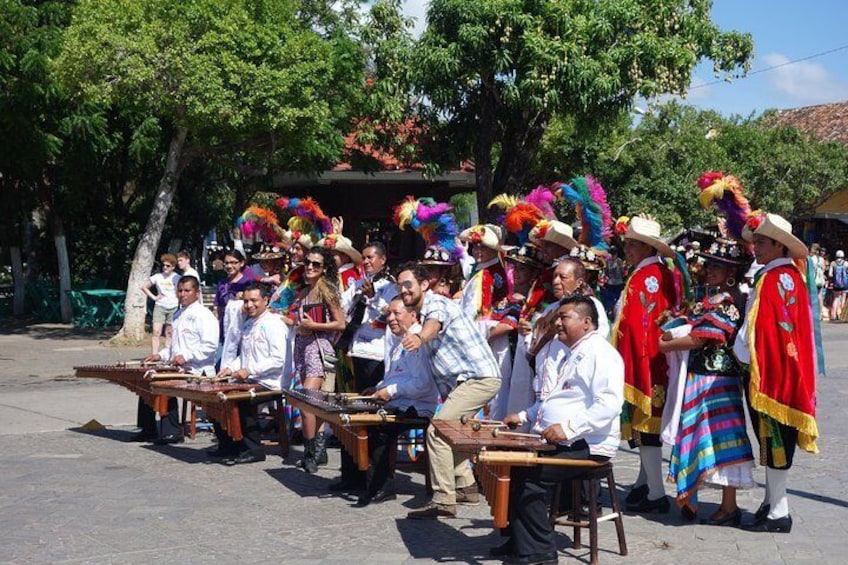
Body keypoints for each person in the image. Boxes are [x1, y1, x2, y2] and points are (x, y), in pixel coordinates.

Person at [496, 295, 624, 563]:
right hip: (565, 441)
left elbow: (610, 404)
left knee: (528, 477)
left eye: (564, 317)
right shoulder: (570, 352)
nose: (558, 323)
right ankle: (519, 543)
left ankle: (541, 554)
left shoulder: (601, 354)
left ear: (586, 322)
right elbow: (552, 400)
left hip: (588, 445)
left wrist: (568, 428)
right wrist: (522, 415)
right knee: (511, 466)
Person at [734, 212, 820, 533]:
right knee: (769, 439)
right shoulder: (781, 275)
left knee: (775, 437)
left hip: (771, 372)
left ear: (779, 245)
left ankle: (779, 511)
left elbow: (762, 330)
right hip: (773, 369)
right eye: (755, 240)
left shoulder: (775, 278)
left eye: (761, 241)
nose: (755, 246)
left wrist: (743, 355)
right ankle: (771, 502)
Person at [659, 240, 755, 525]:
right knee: (699, 436)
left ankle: (728, 506)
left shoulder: (731, 302)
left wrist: (664, 345)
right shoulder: (714, 299)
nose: (709, 269)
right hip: (701, 378)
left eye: (717, 266)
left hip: (718, 383)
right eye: (710, 264)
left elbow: (702, 338)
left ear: (732, 273)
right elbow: (691, 323)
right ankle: (697, 498)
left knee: (723, 439)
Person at [396, 263, 502, 520]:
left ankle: (444, 499)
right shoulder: (423, 311)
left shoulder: (437, 304)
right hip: (467, 382)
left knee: (438, 432)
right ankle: (465, 486)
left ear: (423, 285)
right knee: (450, 433)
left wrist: (420, 337)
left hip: (479, 379)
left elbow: (435, 324)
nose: (404, 290)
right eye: (400, 286)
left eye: (408, 285)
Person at [611, 215, 679, 513]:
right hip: (652, 359)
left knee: (647, 426)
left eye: (632, 244)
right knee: (643, 426)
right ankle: (644, 483)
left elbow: (640, 326)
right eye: (626, 244)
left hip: (648, 361)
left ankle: (656, 494)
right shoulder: (651, 273)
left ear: (647, 247)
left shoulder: (648, 276)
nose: (627, 249)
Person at [351, 297, 439, 507]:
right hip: (399, 402)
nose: (390, 318)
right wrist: (379, 387)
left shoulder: (418, 341)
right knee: (351, 418)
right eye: (388, 313)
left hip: (417, 407)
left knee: (377, 428)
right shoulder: (397, 339)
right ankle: (354, 479)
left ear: (413, 315)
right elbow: (395, 375)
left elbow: (423, 385)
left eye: (396, 314)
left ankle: (381, 487)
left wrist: (389, 391)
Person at [330, 242, 397, 492]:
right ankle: (351, 475)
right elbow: (341, 309)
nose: (367, 262)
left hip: (376, 356)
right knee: (348, 414)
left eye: (371, 258)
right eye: (365, 258)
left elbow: (392, 317)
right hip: (351, 353)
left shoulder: (391, 287)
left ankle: (375, 478)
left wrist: (373, 299)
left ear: (382, 259)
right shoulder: (357, 284)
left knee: (371, 417)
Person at [214, 282, 293, 464]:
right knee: (217, 394)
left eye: (254, 301)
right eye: (246, 301)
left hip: (271, 381)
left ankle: (254, 449)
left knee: (239, 398)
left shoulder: (274, 324)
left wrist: (249, 370)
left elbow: (278, 359)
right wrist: (230, 369)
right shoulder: (249, 324)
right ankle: (230, 445)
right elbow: (244, 357)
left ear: (266, 300)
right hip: (252, 379)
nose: (249, 305)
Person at [138, 276, 219, 444]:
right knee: (145, 379)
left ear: (197, 293)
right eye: (180, 291)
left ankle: (172, 432)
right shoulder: (178, 314)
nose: (182, 294)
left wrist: (186, 357)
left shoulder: (204, 315)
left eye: (187, 291)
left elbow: (210, 346)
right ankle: (148, 429)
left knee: (163, 383)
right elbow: (174, 348)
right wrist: (160, 355)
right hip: (179, 367)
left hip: (198, 370)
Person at [289, 247, 346, 473]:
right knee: (315, 403)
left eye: (316, 264)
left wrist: (314, 326)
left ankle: (310, 453)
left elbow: (340, 323)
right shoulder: (303, 292)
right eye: (308, 263)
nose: (310, 267)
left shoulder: (327, 290)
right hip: (303, 347)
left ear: (324, 269)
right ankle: (318, 451)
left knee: (306, 401)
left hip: (320, 348)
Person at [459, 224, 511, 380]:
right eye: (475, 247)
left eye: (483, 248)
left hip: (485, 335)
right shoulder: (491, 269)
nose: (477, 251)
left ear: (494, 250)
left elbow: (477, 312)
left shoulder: (485, 276)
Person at [141, 253, 181, 355]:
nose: (165, 268)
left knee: (169, 332)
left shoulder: (177, 277)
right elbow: (144, 287)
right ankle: (154, 354)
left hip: (173, 306)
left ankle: (168, 354)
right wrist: (154, 297)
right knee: (156, 331)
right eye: (163, 265)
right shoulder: (157, 277)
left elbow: (182, 291)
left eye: (168, 266)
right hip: (160, 306)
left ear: (173, 267)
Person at [213, 250, 255, 343]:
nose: (229, 266)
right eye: (227, 263)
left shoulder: (248, 282)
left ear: (241, 263)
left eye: (233, 262)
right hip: (225, 327)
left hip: (243, 327)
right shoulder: (222, 283)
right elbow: (219, 308)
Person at [828, 249, 847, 321]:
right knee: (843, 299)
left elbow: (830, 274)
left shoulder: (833, 263)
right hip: (845, 284)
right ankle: (842, 315)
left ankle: (833, 315)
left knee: (836, 298)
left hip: (836, 284)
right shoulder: (846, 263)